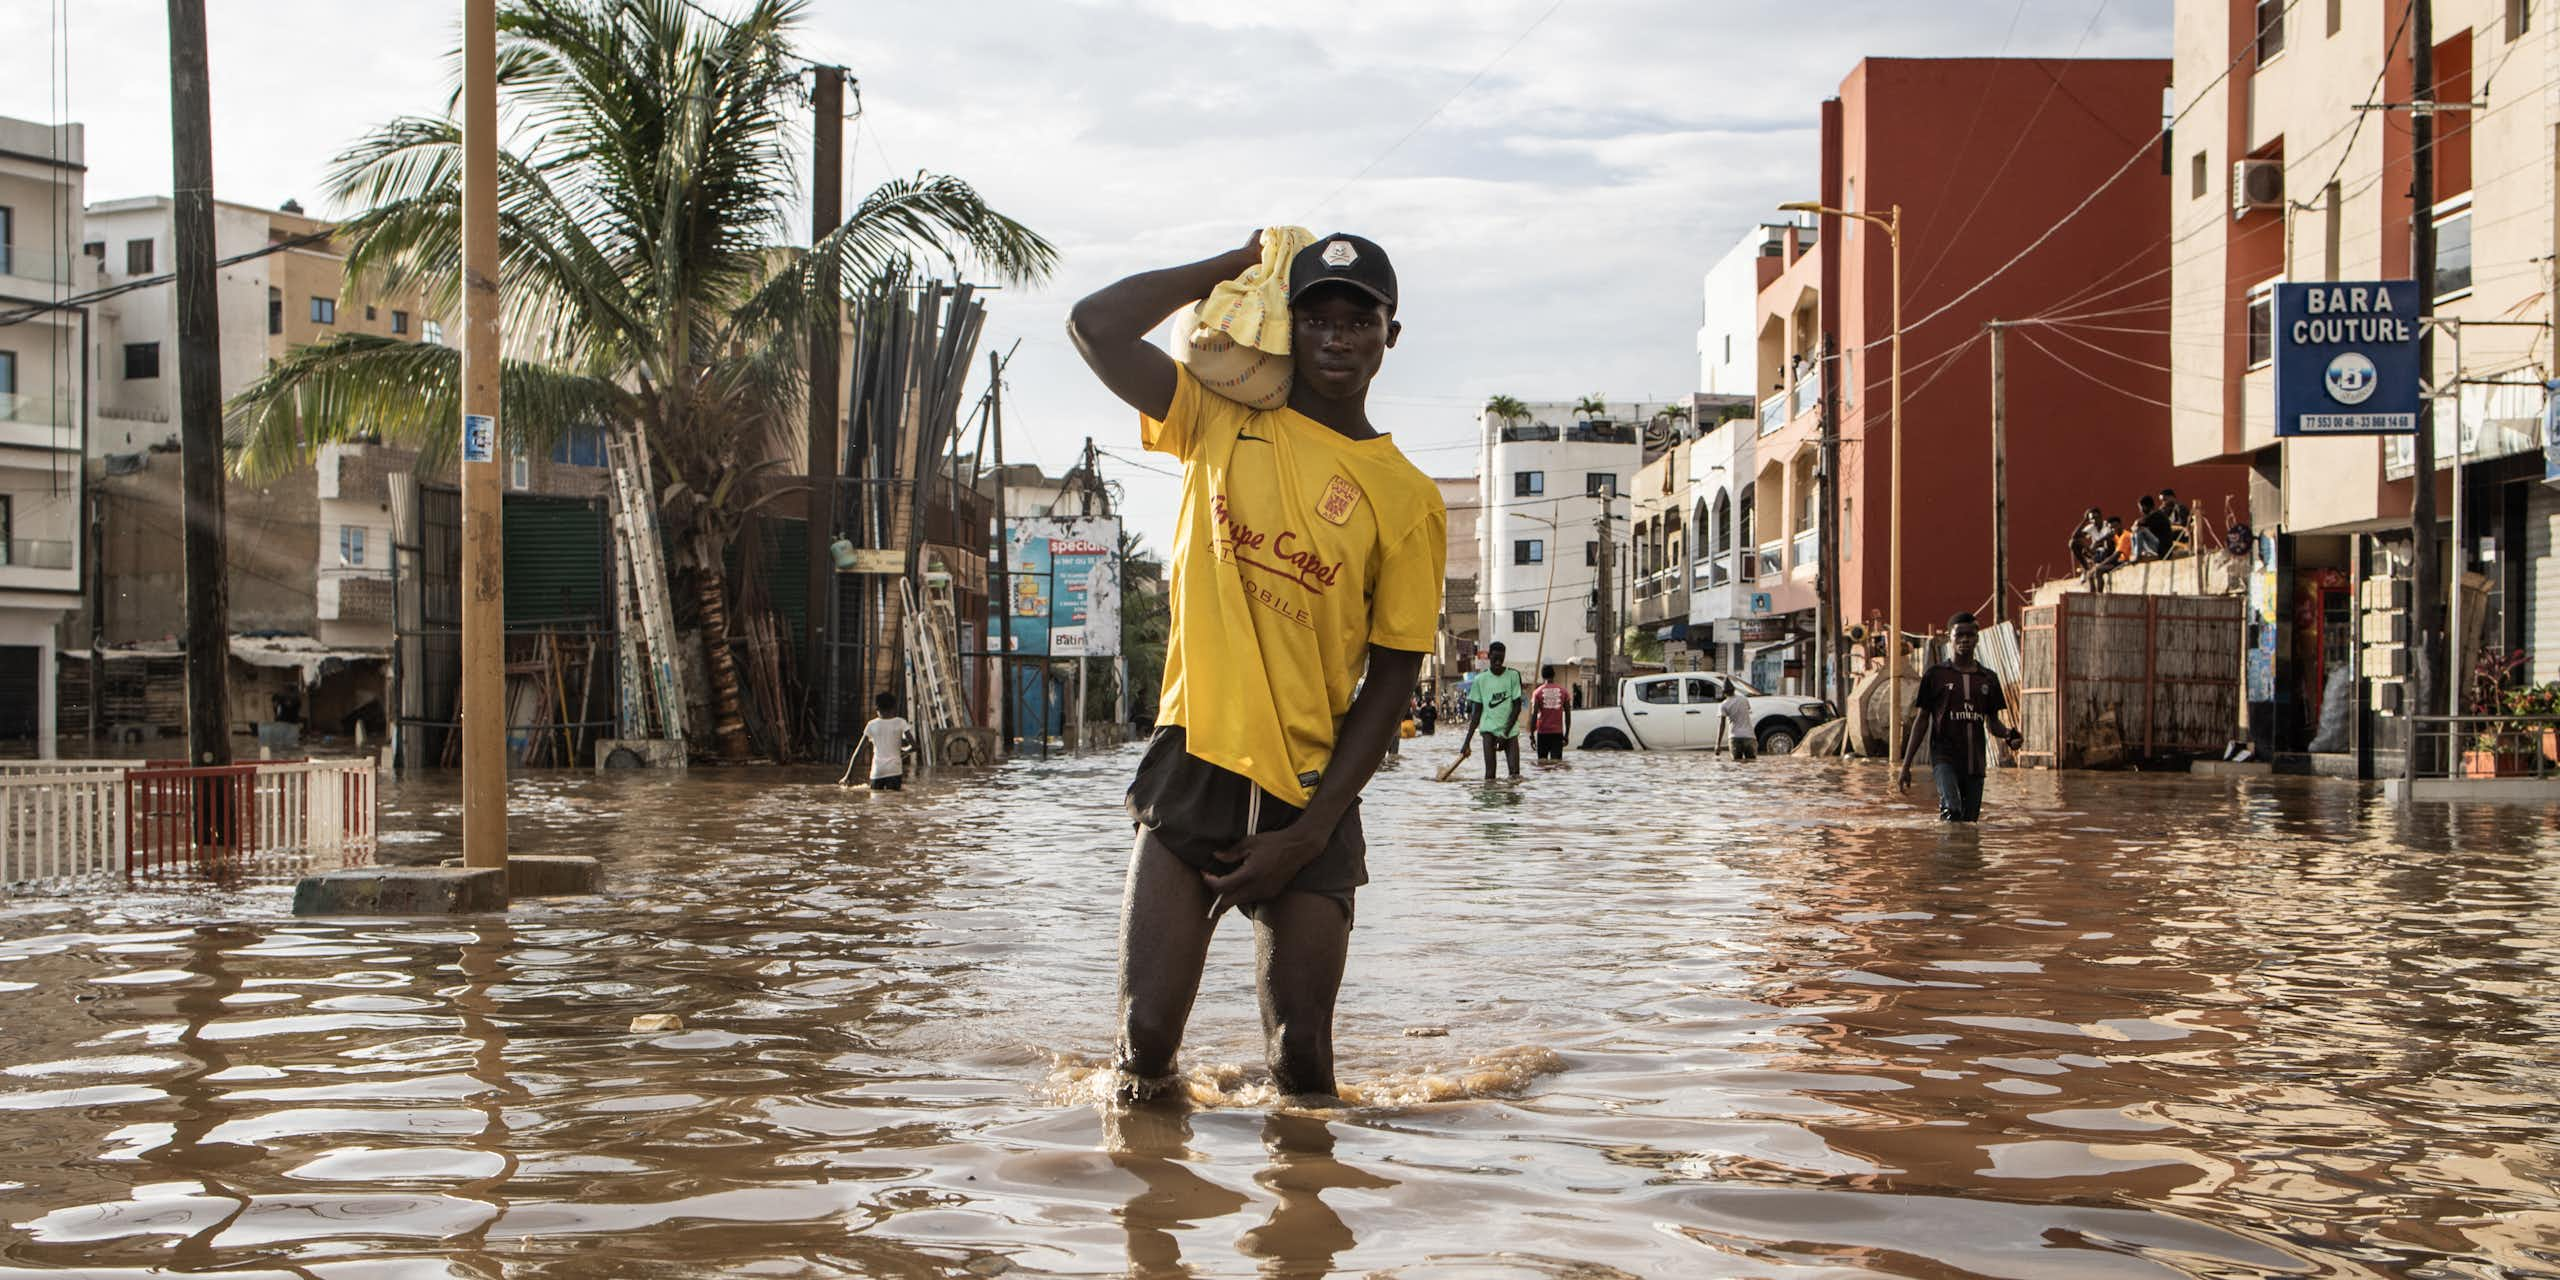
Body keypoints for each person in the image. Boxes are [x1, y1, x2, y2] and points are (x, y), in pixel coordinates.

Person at [1068, 228, 1445, 1104]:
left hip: (1311, 792)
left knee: (1303, 1060)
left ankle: (1303, 1233)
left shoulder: (1409, 498)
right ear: (1289, 326)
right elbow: (1094, 325)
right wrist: (1233, 264)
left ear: (1392, 334)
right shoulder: (1216, 420)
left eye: (1361, 319)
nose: (1339, 338)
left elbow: (1392, 678)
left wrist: (1310, 833)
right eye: (1318, 318)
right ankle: (1149, 1222)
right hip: (1194, 763)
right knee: (1143, 1044)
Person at [1897, 612, 2023, 822]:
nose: (1965, 640)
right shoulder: (1935, 675)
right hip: (1944, 759)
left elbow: (1993, 723)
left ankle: (1961, 852)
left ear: (1977, 638)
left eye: (1970, 635)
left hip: (1975, 763)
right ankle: (1946, 854)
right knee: (1953, 809)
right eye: (1959, 635)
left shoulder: (1988, 679)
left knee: (1969, 822)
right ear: (1950, 637)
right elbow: (1922, 720)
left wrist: (2010, 735)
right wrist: (1906, 765)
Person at [1467, 641, 1525, 780]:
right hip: (1489, 731)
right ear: (1489, 657)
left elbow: (1517, 707)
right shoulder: (1480, 680)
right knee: (1490, 776)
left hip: (1509, 731)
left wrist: (1505, 733)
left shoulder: (1513, 676)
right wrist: (1467, 742)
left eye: (1501, 658)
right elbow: (1476, 714)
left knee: (1515, 775)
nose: (1498, 662)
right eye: (1495, 658)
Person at [839, 691, 916, 790]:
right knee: (895, 801)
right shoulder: (901, 723)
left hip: (877, 771)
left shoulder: (871, 725)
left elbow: (858, 752)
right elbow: (914, 746)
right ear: (894, 708)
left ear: (877, 708)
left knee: (876, 801)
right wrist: (904, 751)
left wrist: (848, 776)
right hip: (894, 771)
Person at [1528, 664, 1571, 762]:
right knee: (1556, 764)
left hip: (1542, 733)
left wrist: (1531, 735)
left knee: (1542, 764)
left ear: (1542, 676)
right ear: (1554, 675)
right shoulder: (1564, 692)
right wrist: (1567, 734)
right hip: (1557, 734)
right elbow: (1568, 715)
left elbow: (1534, 715)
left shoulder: (1537, 692)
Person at [1722, 681, 1757, 761]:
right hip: (1749, 737)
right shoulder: (1744, 699)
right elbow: (1747, 710)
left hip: (1734, 738)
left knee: (1736, 765)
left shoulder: (1724, 704)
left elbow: (1722, 725)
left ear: (1724, 692)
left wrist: (1718, 744)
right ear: (1734, 690)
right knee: (1752, 764)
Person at [2133, 494, 2172, 561]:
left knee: (2140, 531)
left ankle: (2137, 556)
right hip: (2155, 546)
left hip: (2162, 549)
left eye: (2141, 507)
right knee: (2134, 533)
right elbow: (2134, 527)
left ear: (2145, 506)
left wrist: (2137, 524)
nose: (2140, 510)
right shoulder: (2150, 516)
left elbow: (2138, 525)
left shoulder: (2157, 516)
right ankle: (2135, 553)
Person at [2067, 506, 2104, 572]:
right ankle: (2087, 569)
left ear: (2101, 516)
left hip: (2106, 552)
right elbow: (2074, 536)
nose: (2094, 520)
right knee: (2072, 543)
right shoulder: (2092, 527)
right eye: (2092, 519)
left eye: (2096, 517)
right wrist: (2085, 520)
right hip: (2094, 553)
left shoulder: (2107, 525)